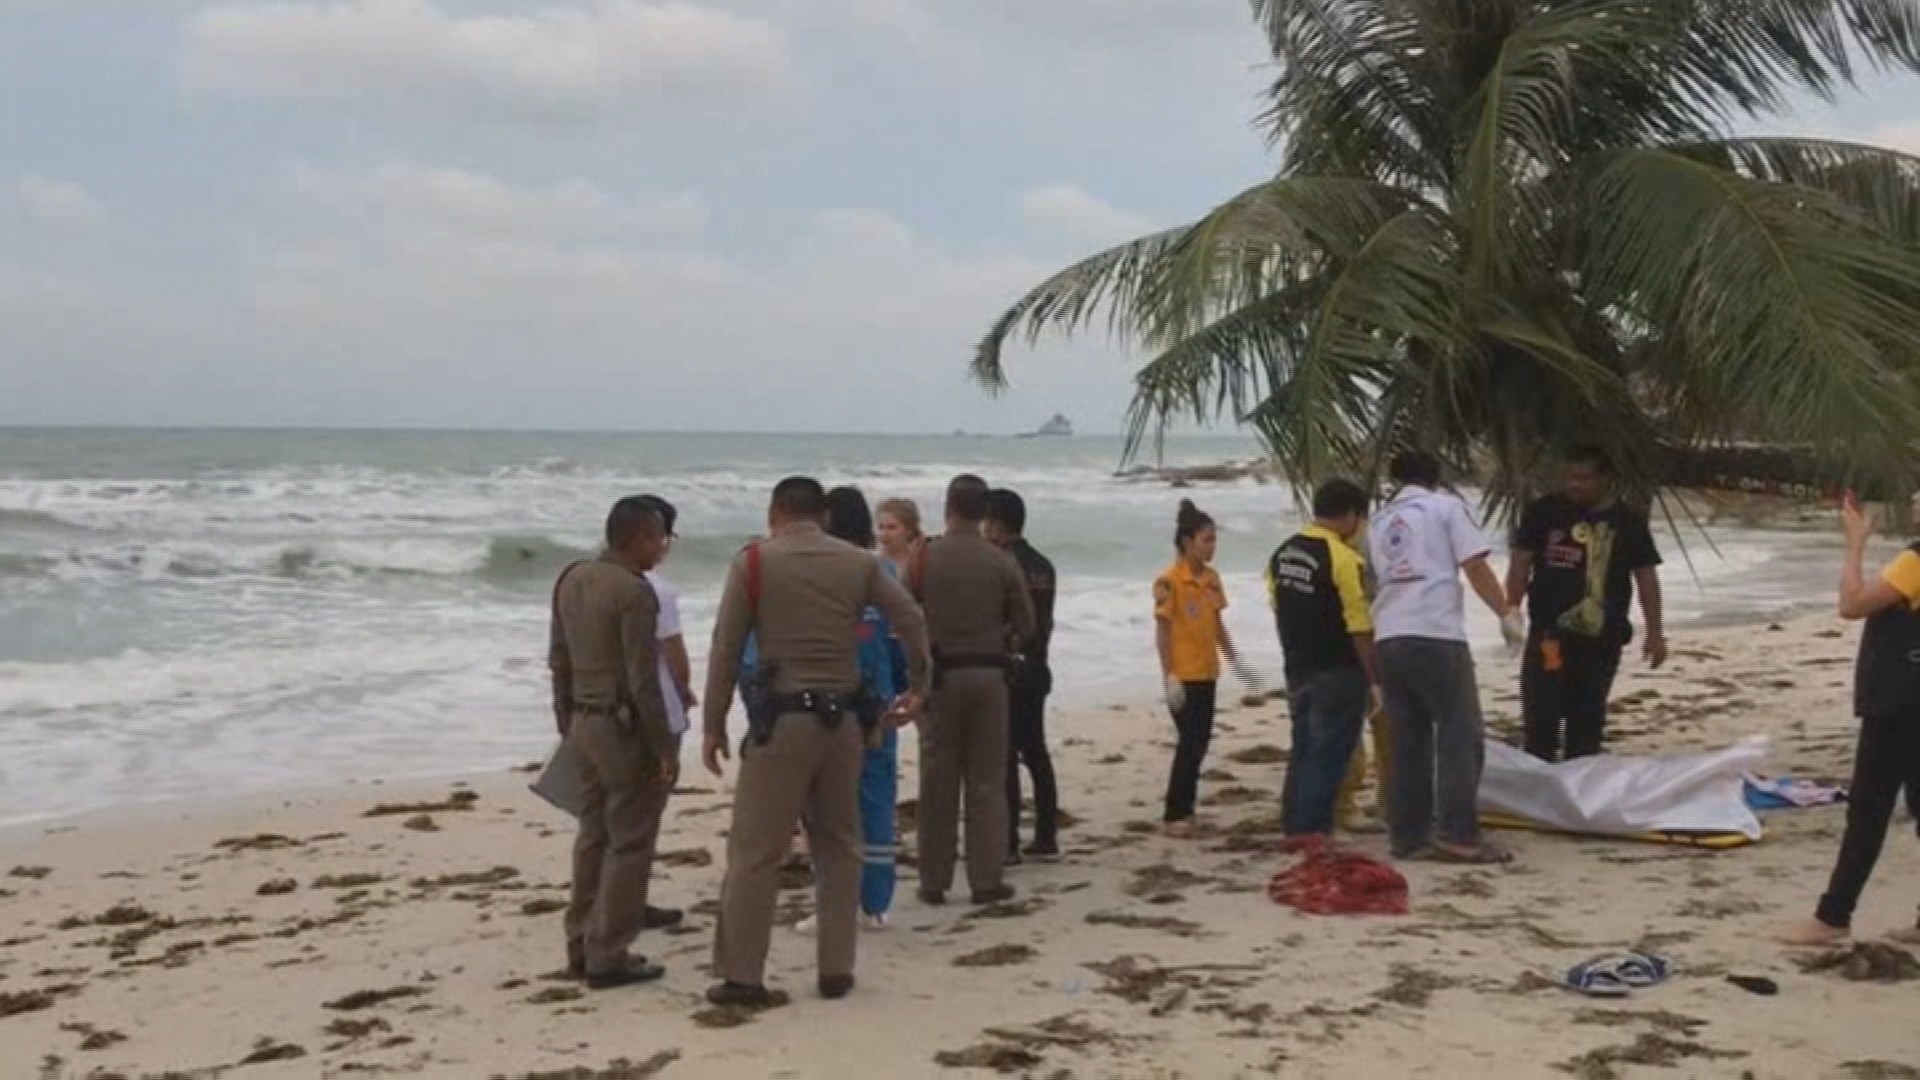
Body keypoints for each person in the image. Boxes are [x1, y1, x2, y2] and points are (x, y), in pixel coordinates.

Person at [702, 477, 931, 1007]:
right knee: (839, 846)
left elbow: (727, 648)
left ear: (774, 512)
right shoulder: (858, 563)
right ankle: (835, 969)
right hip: (845, 723)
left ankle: (743, 976)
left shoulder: (754, 563)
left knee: (756, 853)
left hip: (780, 723)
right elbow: (910, 618)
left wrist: (714, 722)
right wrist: (919, 687)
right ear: (824, 516)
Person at [1368, 451, 1524, 864]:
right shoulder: (1445, 508)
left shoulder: (1379, 522)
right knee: (1460, 734)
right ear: (1437, 478)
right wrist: (1505, 612)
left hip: (1389, 634)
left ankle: (1408, 836)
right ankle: (1458, 833)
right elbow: (1474, 567)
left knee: (1408, 740)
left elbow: (1374, 581)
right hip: (1434, 632)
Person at [1781, 491, 1920, 947]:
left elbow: (1853, 603)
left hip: (1900, 701)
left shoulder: (1915, 561)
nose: (1914, 497)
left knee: (1868, 808)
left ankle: (1833, 916)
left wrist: (1855, 542)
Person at [548, 497, 677, 989]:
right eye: (660, 538)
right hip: (622, 728)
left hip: (582, 720)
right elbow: (643, 680)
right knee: (630, 842)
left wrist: (565, 722)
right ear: (641, 537)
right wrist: (663, 749)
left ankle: (579, 940)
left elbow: (558, 659)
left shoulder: (571, 578)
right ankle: (610, 952)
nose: (663, 547)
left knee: (592, 834)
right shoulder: (633, 592)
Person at [909, 474, 1037, 905]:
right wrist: (1001, 636)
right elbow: (1026, 624)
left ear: (948, 508)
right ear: (984, 513)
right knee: (986, 781)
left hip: (941, 676)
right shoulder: (1000, 560)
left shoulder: (924, 557)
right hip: (989, 676)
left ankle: (933, 879)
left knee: (937, 780)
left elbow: (904, 611)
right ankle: (986, 878)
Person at [793, 487, 908, 933]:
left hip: (827, 703)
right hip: (877, 700)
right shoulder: (882, 571)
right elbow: (900, 637)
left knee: (827, 808)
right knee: (876, 803)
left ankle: (833, 901)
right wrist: (904, 689)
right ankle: (874, 904)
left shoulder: (820, 575)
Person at [1505, 447, 1667, 762]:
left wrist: (1655, 634)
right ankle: (1541, 791)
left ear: (1605, 478)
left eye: (1584, 478)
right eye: (1569, 477)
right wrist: (1511, 610)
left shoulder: (1627, 522)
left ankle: (1578, 794)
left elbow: (1646, 578)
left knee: (1587, 721)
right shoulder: (1544, 513)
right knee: (1541, 716)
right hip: (1550, 638)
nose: (1574, 485)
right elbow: (1521, 562)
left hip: (1601, 640)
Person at [1269, 479, 1377, 838]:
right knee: (1329, 753)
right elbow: (1358, 623)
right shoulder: (1345, 559)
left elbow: (1278, 607)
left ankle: (1294, 824)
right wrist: (1374, 676)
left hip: (1297, 665)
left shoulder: (1282, 554)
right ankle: (1313, 830)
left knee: (1303, 746)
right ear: (1349, 515)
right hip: (1339, 668)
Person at [1155, 499, 1259, 838]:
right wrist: (1168, 674)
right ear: (1187, 542)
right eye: (1206, 540)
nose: (1212, 547)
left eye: (1215, 540)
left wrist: (1236, 661)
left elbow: (1216, 625)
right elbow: (1164, 630)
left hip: (1207, 672)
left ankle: (1186, 808)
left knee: (1198, 743)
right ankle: (1175, 813)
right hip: (1183, 675)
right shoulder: (1170, 581)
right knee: (1190, 742)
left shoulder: (1212, 579)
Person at [986, 488, 1060, 865]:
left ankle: (1009, 840)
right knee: (1036, 752)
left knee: (1005, 756)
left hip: (1008, 668)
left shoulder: (999, 564)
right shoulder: (1043, 565)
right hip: (1038, 664)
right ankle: (1046, 835)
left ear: (996, 523)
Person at [630, 495, 692, 932]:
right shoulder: (658, 592)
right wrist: (686, 691)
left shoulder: (589, 581)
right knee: (645, 812)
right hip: (657, 710)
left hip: (609, 710)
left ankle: (604, 896)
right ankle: (631, 900)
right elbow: (673, 651)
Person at [877, 498, 925, 577]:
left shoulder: (919, 565)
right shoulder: (870, 564)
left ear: (909, 530)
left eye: (891, 527)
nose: (884, 533)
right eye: (880, 527)